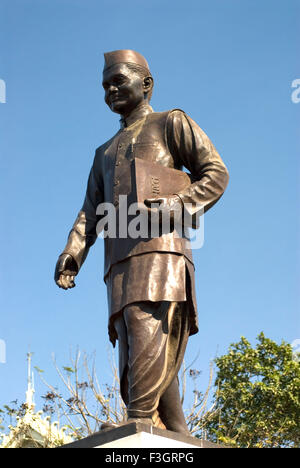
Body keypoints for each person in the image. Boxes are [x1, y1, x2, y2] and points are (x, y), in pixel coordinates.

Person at [54, 50, 229, 434]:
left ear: (146, 84)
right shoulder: (103, 152)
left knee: (145, 325)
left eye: (118, 81)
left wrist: (173, 206)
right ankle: (176, 431)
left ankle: (138, 424)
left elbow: (215, 173)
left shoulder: (171, 123)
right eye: (105, 85)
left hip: (162, 255)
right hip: (118, 263)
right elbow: (90, 212)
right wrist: (72, 253)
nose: (111, 90)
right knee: (135, 344)